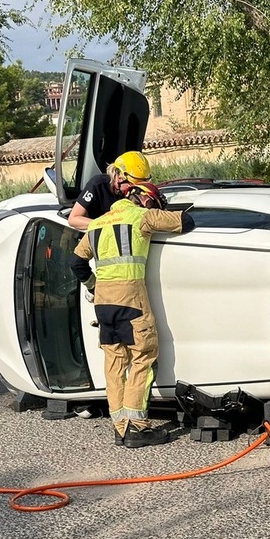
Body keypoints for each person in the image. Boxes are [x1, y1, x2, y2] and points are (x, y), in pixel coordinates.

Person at [70, 180, 195, 448]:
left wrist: (93, 285)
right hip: (132, 300)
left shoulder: (96, 223)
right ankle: (138, 427)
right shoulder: (143, 217)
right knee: (143, 357)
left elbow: (76, 262)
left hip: (103, 304)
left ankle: (120, 429)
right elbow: (187, 222)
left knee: (115, 365)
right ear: (145, 199)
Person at [68, 151, 152, 230]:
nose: (136, 190)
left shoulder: (130, 192)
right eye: (133, 186)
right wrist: (106, 224)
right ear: (120, 178)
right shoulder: (97, 185)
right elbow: (73, 219)